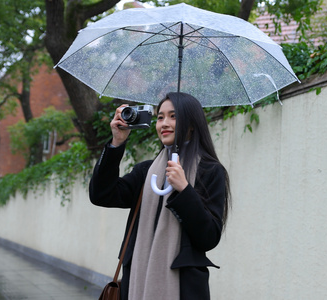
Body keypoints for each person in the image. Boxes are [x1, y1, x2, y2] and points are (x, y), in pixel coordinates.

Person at [89, 92, 231, 300]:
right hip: (137, 280)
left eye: (173, 116)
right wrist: (116, 144)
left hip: (182, 287)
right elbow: (101, 194)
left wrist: (184, 190)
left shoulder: (209, 171)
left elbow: (209, 236)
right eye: (160, 117)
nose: (164, 123)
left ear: (192, 123)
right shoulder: (146, 172)